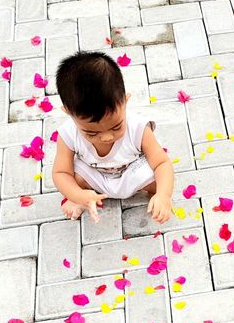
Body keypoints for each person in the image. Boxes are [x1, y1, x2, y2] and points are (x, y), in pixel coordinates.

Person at [52, 51, 174, 223]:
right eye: (91, 132)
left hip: (130, 172)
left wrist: (164, 194)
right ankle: (81, 198)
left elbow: (162, 163)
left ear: (125, 101)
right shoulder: (67, 134)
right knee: (76, 179)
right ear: (68, 113)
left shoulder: (138, 127)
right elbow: (60, 172)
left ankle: (157, 198)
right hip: (94, 175)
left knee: (157, 179)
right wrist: (77, 194)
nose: (106, 137)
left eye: (116, 126)